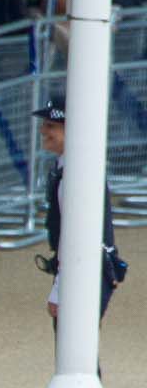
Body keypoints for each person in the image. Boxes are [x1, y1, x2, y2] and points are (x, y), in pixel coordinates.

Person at [35, 97, 123, 328]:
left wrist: (58, 290)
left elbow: (75, 236)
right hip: (83, 268)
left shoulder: (76, 173)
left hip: (83, 271)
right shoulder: (70, 166)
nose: (43, 130)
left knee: (74, 350)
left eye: (51, 126)